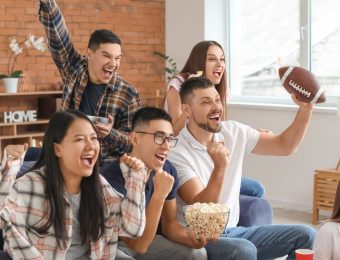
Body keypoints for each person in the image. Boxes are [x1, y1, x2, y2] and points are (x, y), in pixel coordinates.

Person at [167, 77, 316, 259]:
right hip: (200, 239)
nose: (216, 107)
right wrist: (219, 168)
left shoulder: (234, 131)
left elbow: (285, 145)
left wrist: (305, 110)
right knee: (244, 249)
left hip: (234, 232)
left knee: (307, 235)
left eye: (216, 99)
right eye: (206, 102)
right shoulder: (176, 152)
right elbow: (203, 212)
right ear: (187, 110)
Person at [0, 110, 147, 259]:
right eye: (79, 139)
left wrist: (135, 179)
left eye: (94, 138)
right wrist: (8, 173)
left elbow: (132, 229)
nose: (91, 146)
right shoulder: (31, 185)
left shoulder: (99, 187)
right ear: (58, 149)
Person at [38, 0, 141, 163]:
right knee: (26, 158)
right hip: (67, 156)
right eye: (107, 56)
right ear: (89, 54)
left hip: (104, 165)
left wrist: (109, 133)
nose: (113, 64)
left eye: (117, 58)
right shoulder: (74, 69)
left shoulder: (128, 94)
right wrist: (48, 3)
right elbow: (59, 37)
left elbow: (134, 142)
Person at [100, 107, 208, 259]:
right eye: (158, 137)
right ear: (135, 138)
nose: (166, 146)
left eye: (170, 139)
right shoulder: (111, 178)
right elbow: (137, 244)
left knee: (197, 253)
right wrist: (159, 194)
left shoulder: (168, 170)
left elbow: (170, 225)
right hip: (113, 244)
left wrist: (190, 239)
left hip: (148, 240)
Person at [164, 40, 265, 198]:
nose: (219, 64)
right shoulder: (177, 84)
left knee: (257, 188)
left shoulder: (218, 88)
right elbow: (173, 132)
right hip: (187, 158)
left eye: (222, 59)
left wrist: (251, 133)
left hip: (208, 157)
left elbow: (217, 126)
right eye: (212, 59)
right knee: (253, 190)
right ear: (199, 62)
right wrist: (190, 104)